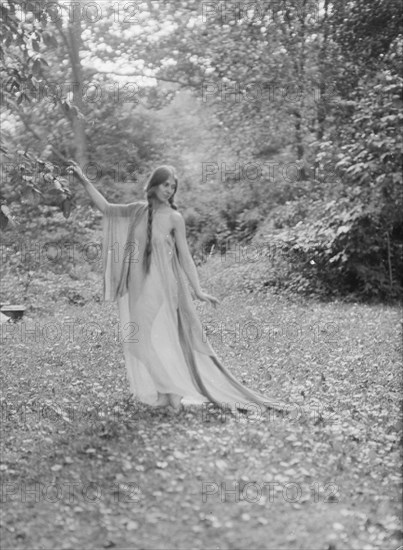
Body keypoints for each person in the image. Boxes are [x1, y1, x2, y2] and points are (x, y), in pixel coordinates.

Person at [68, 162, 284, 415]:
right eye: (165, 184)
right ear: (154, 185)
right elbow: (106, 207)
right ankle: (165, 392)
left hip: (159, 283)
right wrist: (83, 180)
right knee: (139, 340)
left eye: (173, 186)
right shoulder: (138, 211)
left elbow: (185, 257)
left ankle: (172, 391)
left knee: (137, 342)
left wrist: (198, 290)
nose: (169, 189)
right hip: (136, 283)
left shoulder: (174, 218)